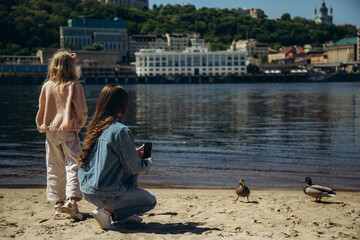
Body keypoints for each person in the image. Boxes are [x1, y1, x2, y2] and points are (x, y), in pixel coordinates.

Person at [77, 84, 156, 230]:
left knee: (130, 166)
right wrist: (147, 162)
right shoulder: (121, 130)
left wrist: (133, 154)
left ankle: (124, 216)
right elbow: (134, 167)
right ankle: (108, 211)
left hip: (87, 191)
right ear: (122, 104)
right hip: (106, 193)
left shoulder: (95, 127)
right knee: (150, 201)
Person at [36, 49, 88, 221]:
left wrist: (43, 124)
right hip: (68, 129)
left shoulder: (47, 86)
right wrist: (79, 124)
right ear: (72, 67)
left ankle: (58, 203)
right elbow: (81, 111)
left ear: (53, 66)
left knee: (54, 166)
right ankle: (72, 201)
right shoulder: (74, 85)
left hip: (50, 130)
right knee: (73, 165)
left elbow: (41, 108)